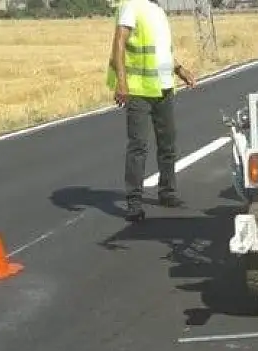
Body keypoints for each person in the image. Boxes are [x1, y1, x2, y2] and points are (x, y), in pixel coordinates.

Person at [107, 0, 197, 223]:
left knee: (168, 143)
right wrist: (121, 83)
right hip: (139, 90)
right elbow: (119, 42)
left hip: (163, 87)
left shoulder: (158, 11)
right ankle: (134, 203)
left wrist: (179, 70)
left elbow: (161, 52)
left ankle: (167, 192)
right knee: (138, 146)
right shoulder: (131, 6)